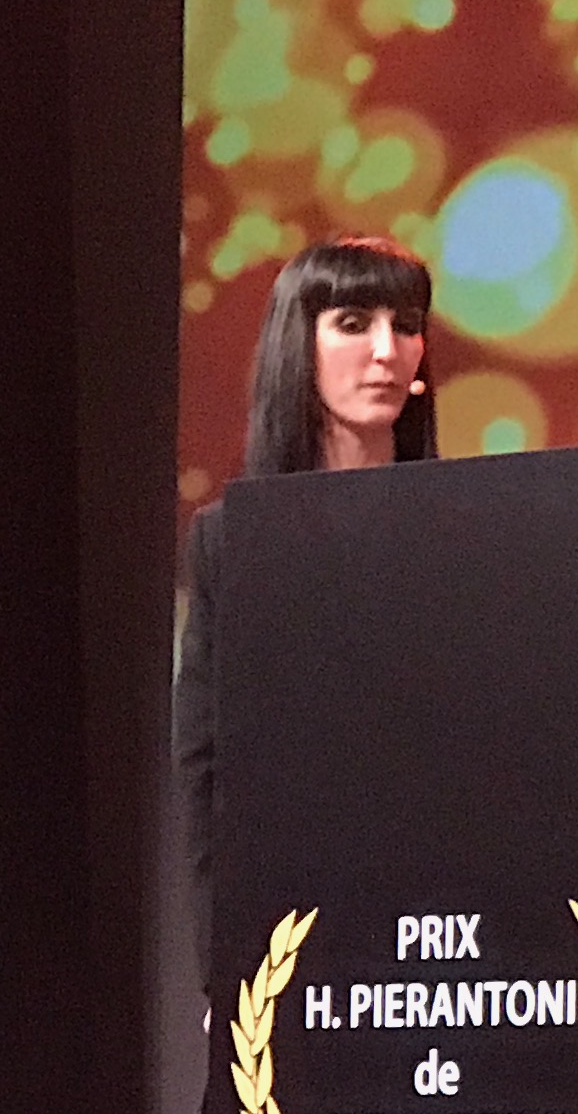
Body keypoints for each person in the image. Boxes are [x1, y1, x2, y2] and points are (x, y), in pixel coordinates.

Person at [171, 236, 437, 1009]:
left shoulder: (465, 532)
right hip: (293, 943)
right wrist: (226, 977)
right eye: (354, 323)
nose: (387, 351)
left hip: (441, 945)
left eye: (406, 325)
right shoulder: (231, 543)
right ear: (299, 345)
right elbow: (206, 773)